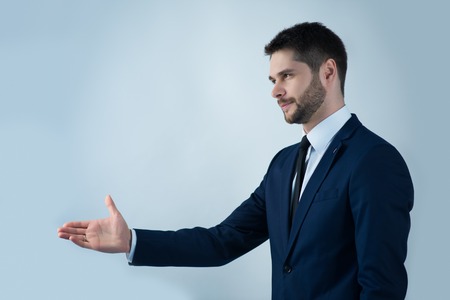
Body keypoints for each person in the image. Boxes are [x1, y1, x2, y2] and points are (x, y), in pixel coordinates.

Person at [58, 22, 414, 299]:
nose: (275, 90)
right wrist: (132, 240)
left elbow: (382, 287)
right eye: (273, 79)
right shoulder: (283, 165)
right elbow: (223, 240)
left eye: (287, 75)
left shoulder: (374, 161)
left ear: (328, 72)